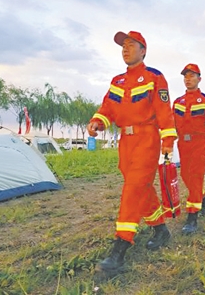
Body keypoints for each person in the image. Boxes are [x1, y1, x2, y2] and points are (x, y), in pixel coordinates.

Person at [87, 31, 177, 274]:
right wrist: (97, 122)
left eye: (131, 45)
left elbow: (164, 110)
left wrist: (168, 138)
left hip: (147, 138)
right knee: (141, 187)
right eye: (123, 46)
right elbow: (107, 108)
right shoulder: (117, 81)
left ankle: (120, 248)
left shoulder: (154, 77)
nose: (125, 49)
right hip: (125, 142)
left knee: (133, 188)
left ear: (143, 50)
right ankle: (160, 229)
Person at [172, 63, 205, 234]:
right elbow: (171, 125)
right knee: (185, 175)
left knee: (196, 176)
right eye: (185, 76)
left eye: (192, 76)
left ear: (199, 79)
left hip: (199, 144)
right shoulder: (178, 102)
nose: (188, 79)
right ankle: (203, 197)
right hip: (182, 144)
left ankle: (192, 217)